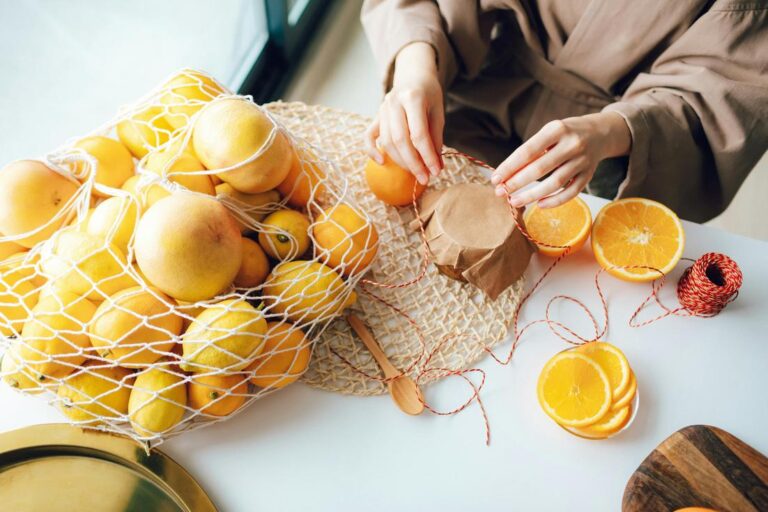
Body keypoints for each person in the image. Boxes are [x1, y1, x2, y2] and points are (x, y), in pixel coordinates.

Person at [361, 1, 768, 222]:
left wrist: (610, 130)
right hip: (472, 92)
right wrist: (415, 68)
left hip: (609, 162)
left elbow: (724, 91)